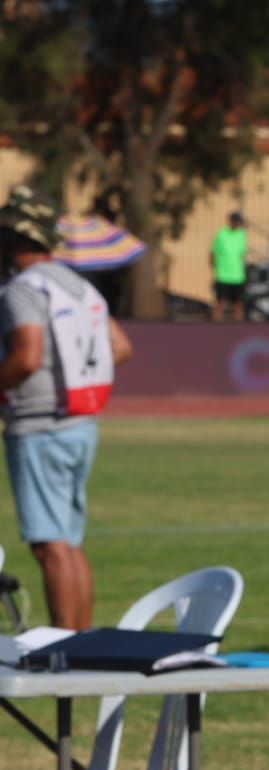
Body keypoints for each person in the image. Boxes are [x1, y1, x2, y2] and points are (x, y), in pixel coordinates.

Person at [0, 195, 134, 628]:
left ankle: (63, 652)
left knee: (49, 545)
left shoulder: (23, 288)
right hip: (81, 424)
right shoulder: (78, 285)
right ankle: (78, 644)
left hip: (40, 425)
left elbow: (25, 357)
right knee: (69, 543)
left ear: (17, 238)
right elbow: (120, 347)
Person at [210, 210, 248, 321]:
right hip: (222, 275)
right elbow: (213, 253)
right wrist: (215, 270)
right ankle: (215, 327)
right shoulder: (221, 234)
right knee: (220, 302)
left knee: (238, 303)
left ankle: (237, 327)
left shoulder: (242, 235)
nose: (237, 224)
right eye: (235, 221)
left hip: (238, 276)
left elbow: (241, 254)